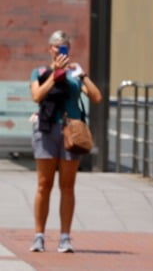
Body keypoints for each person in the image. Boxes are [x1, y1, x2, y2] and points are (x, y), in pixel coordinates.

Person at [29, 30, 102, 253]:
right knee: (44, 184)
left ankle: (65, 236)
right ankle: (39, 235)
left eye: (64, 47)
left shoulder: (74, 75)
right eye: (56, 47)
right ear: (49, 49)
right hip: (47, 130)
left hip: (71, 131)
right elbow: (37, 96)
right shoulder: (40, 71)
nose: (60, 50)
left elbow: (97, 97)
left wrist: (82, 75)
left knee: (67, 186)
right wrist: (54, 74)